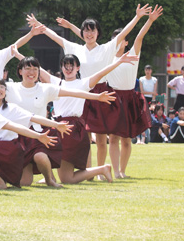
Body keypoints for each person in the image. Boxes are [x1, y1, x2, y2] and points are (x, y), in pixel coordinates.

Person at [27, 4, 151, 168]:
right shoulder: (76, 48)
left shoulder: (106, 49)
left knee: (100, 138)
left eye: (92, 31)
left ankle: (99, 170)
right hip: (81, 92)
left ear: (98, 33)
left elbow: (124, 33)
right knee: (82, 135)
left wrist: (138, 17)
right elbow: (55, 37)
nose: (89, 34)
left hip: (101, 93)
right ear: (82, 33)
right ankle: (83, 168)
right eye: (86, 31)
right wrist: (38, 24)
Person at [6, 53, 116, 187]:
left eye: (35, 69)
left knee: (47, 160)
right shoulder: (11, 88)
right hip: (24, 135)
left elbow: (74, 92)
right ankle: (49, 176)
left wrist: (97, 96)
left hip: (47, 132)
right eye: (28, 69)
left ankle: (49, 179)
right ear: (20, 71)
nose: (32, 72)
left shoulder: (47, 88)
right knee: (26, 182)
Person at [39, 52, 137, 184]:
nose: (68, 69)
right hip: (58, 126)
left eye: (71, 66)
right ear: (61, 68)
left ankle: (99, 170)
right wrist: (15, 52)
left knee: (68, 177)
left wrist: (119, 61)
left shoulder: (84, 83)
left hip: (72, 129)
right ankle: (51, 177)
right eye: (65, 66)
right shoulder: (56, 82)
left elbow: (101, 73)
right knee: (45, 146)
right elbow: (35, 67)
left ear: (78, 68)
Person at [100, 6, 162, 177]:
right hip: (113, 98)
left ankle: (122, 171)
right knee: (113, 138)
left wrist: (149, 20)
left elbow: (140, 36)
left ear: (126, 42)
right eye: (116, 40)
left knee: (127, 139)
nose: (119, 42)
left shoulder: (133, 54)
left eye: (122, 39)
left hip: (129, 98)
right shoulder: (108, 59)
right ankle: (115, 171)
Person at [0, 78, 73, 189]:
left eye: (2, 86)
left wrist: (56, 125)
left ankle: (49, 179)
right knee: (25, 182)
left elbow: (34, 117)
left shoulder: (12, 109)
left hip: (8, 150)